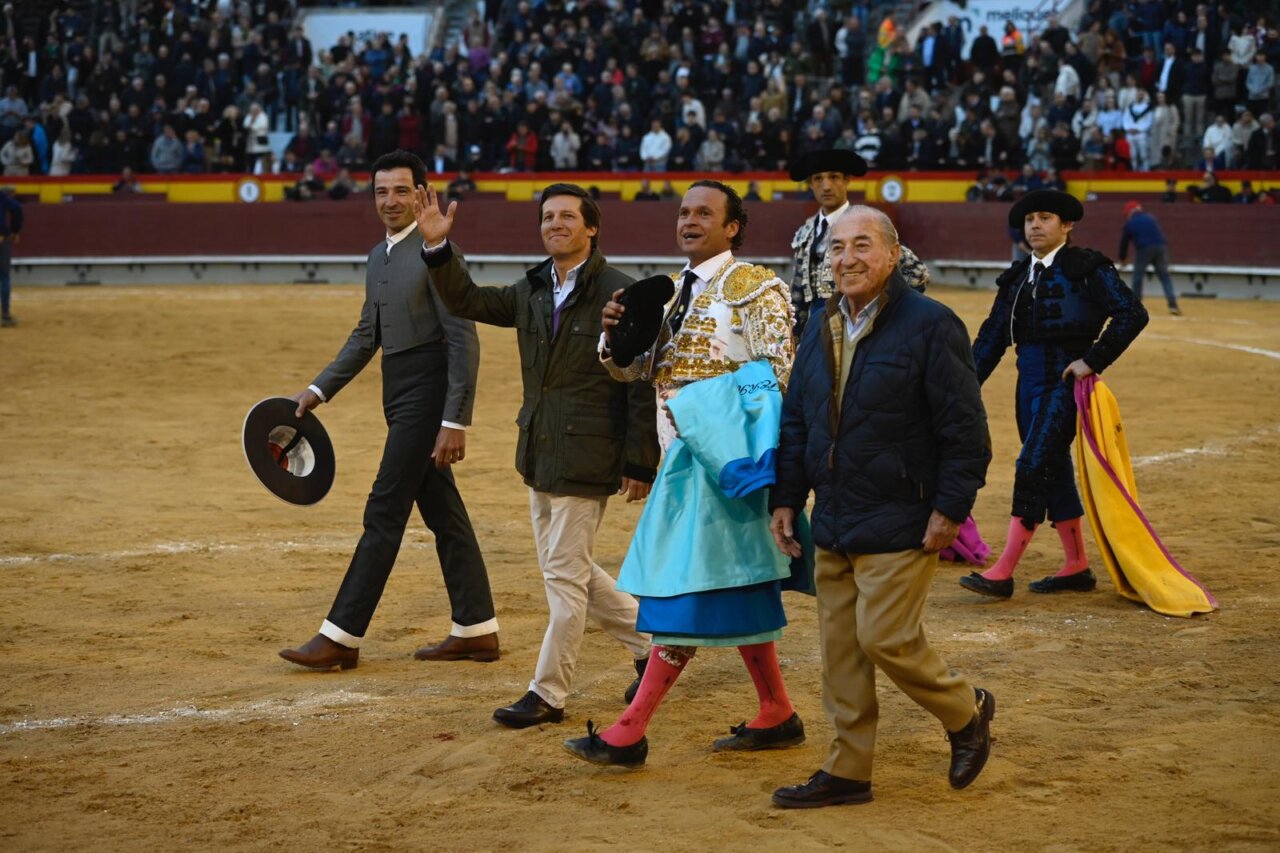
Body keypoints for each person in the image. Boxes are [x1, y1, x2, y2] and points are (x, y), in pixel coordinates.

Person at [563, 181, 804, 766]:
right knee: (734, 585)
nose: (689, 220)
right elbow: (636, 372)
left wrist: (713, 414)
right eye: (684, 212)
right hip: (680, 459)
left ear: (732, 228)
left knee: (685, 592)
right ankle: (776, 711)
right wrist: (614, 337)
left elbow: (777, 376)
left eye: (705, 213)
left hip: (728, 460)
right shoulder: (667, 293)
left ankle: (630, 728)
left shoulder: (756, 287)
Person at [768, 205, 995, 808]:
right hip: (836, 516)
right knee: (840, 651)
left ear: (893, 255)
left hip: (904, 514)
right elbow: (798, 420)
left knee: (885, 636)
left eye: (862, 246)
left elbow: (965, 428)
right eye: (837, 249)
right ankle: (848, 771)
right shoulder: (819, 321)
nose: (847, 259)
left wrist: (951, 506)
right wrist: (788, 497)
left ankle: (964, 709)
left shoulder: (930, 323)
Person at [413, 181, 658, 728]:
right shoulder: (533, 290)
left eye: (568, 217)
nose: (556, 224)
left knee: (563, 579)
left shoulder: (620, 293)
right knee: (568, 569)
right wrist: (437, 249)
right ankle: (653, 647)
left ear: (591, 228)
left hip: (590, 453)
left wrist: (641, 461)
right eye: (548, 217)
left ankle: (548, 693)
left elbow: (640, 382)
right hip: (541, 448)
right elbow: (467, 299)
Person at [279, 150, 498, 670]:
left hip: (428, 391)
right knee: (443, 511)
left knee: (384, 509)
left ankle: (341, 635)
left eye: (401, 190)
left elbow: (463, 337)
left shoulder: (437, 249)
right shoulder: (378, 256)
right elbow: (365, 335)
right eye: (381, 191)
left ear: (423, 194)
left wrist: (454, 420)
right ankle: (476, 627)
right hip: (398, 393)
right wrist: (317, 389)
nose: (390, 201)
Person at [961, 190, 1148, 599]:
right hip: (1025, 385)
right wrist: (963, 388)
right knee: (1053, 466)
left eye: (1044, 218)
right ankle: (1076, 564)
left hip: (1065, 386)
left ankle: (1003, 570)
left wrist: (1092, 359)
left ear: (1067, 226)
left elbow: (1133, 313)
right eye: (1029, 219)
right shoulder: (1015, 277)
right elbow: (992, 338)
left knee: (1032, 465)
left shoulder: (1087, 268)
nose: (1034, 225)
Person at [787, 149, 930, 340]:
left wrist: (883, 316)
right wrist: (796, 336)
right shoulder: (805, 233)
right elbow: (799, 296)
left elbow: (917, 274)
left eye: (834, 177)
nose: (826, 186)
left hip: (856, 331)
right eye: (818, 179)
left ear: (847, 180)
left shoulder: (867, 225)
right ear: (811, 184)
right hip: (815, 335)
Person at [1119, 201, 1182, 315]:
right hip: (1161, 248)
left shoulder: (1130, 223)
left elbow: (1124, 243)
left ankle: (1135, 307)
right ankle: (1173, 305)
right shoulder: (1150, 217)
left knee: (1137, 277)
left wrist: (1123, 258)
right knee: (1164, 277)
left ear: (1129, 212)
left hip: (1144, 249)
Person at [0, 185, 21, 327]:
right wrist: (15, 231)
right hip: (1, 237)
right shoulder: (2, 197)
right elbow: (18, 209)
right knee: (4, 276)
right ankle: (5, 315)